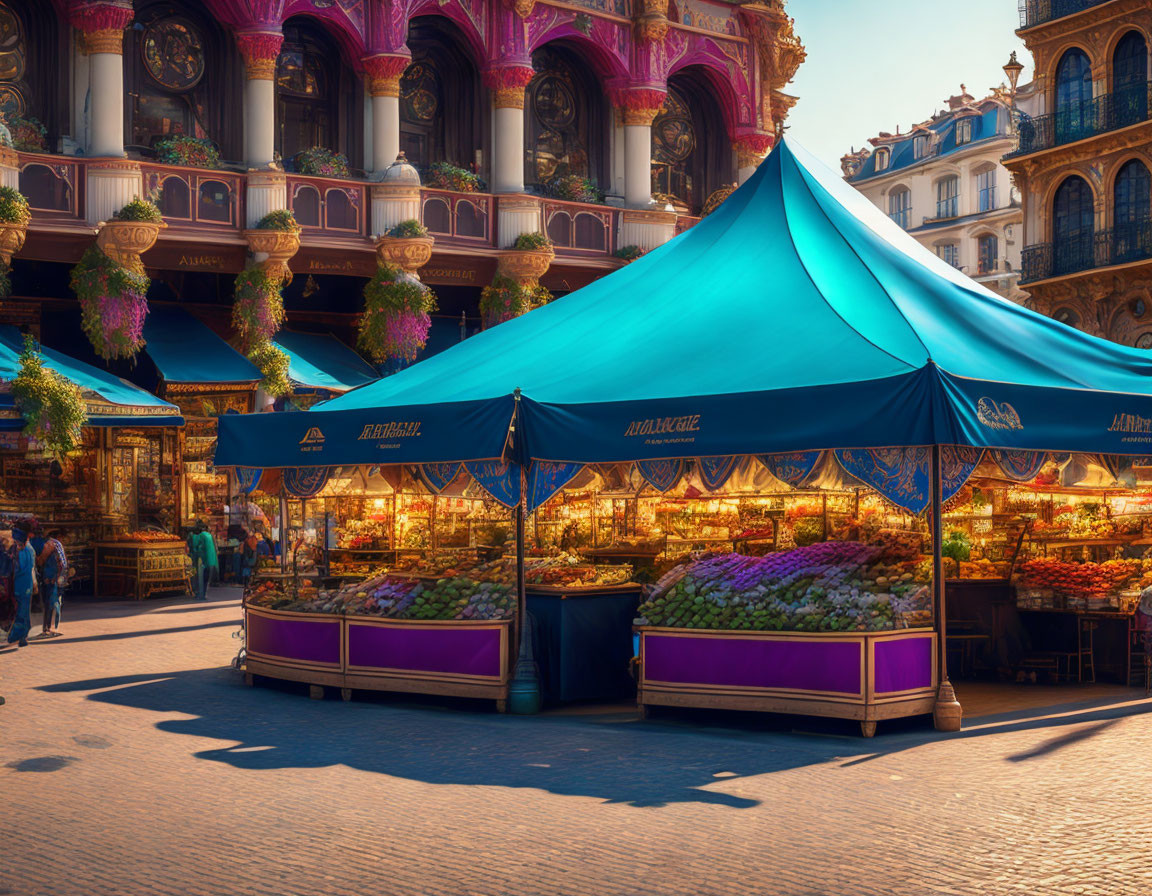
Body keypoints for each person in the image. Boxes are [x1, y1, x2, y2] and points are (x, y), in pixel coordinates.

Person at [6, 529, 35, 647]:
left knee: (21, 611)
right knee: (24, 610)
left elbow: (19, 569)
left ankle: (17, 636)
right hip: (27, 584)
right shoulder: (30, 549)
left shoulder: (22, 551)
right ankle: (23, 636)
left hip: (20, 585)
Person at [36, 530, 67, 638]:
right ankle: (53, 628)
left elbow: (41, 561)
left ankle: (48, 629)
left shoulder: (51, 544)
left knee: (50, 602)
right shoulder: (57, 544)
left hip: (51, 577)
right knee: (55, 602)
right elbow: (63, 564)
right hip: (57, 577)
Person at [188, 520, 219, 601]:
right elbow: (215, 548)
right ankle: (204, 593)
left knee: (200, 578)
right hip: (212, 560)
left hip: (202, 560)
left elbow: (195, 549)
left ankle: (200, 594)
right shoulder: (209, 535)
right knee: (206, 578)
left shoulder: (198, 536)